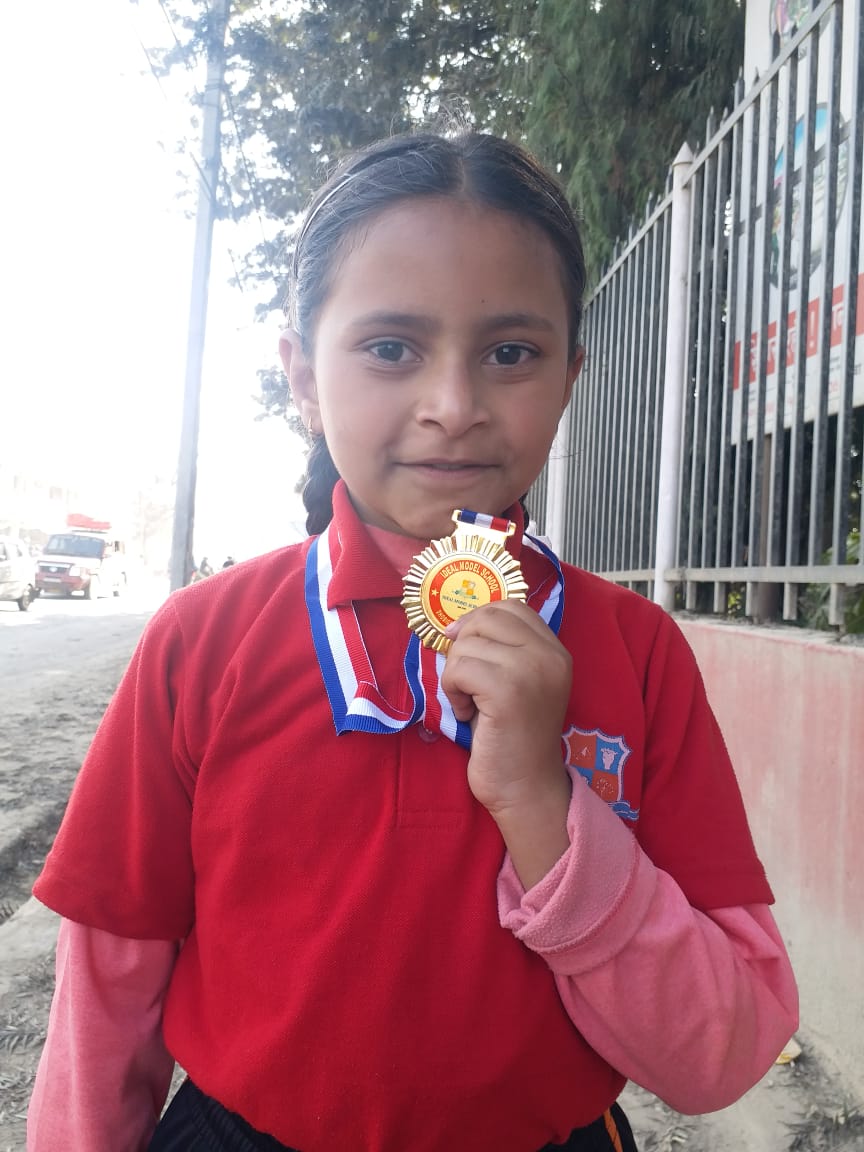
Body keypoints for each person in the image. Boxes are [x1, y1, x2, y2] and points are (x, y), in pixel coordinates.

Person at [27, 130, 798, 1152]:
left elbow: (720, 1058)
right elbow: (107, 986)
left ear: (571, 376)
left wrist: (544, 804)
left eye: (511, 354)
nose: (454, 408)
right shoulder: (202, 642)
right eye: (391, 348)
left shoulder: (638, 652)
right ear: (303, 377)